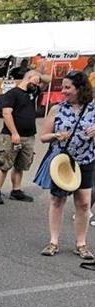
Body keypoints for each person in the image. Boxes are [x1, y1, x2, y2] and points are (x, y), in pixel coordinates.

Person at [38, 70, 95, 260]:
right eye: (63, 87)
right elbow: (43, 137)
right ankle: (53, 242)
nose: (63, 91)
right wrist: (56, 135)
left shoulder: (93, 108)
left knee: (84, 203)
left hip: (86, 160)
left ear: (80, 88)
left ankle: (81, 244)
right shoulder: (57, 109)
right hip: (62, 161)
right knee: (57, 200)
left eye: (67, 87)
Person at [0, 70, 42, 205]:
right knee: (4, 163)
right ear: (28, 78)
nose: (37, 84)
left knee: (21, 165)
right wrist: (14, 133)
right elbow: (7, 113)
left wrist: (39, 72)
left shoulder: (32, 92)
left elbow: (47, 79)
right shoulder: (12, 94)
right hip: (11, 135)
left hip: (29, 136)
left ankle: (16, 190)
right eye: (36, 80)